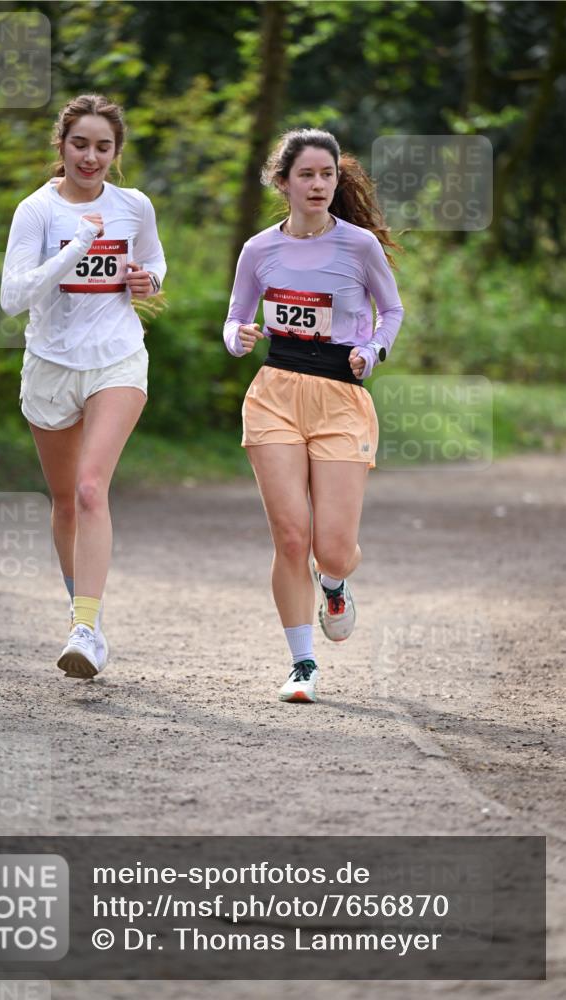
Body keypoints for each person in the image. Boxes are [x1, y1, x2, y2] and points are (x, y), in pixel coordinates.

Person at [223, 128, 403, 704]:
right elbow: (233, 320)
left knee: (331, 546)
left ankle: (335, 582)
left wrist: (372, 350)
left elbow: (391, 311)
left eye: (327, 175)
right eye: (306, 175)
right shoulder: (258, 250)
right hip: (275, 392)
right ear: (283, 182)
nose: (319, 184)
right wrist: (239, 338)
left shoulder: (359, 247)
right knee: (290, 537)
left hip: (341, 397)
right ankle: (302, 663)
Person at [1, 94, 166, 679]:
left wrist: (147, 280)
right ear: (61, 146)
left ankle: (85, 629)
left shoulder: (134, 205)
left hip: (116, 360)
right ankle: (84, 612)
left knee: (93, 489)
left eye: (103, 147)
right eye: (80, 144)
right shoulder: (37, 211)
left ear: (116, 152)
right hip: (49, 365)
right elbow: (13, 297)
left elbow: (152, 261)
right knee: (67, 501)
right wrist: (76, 247)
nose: (90, 157)